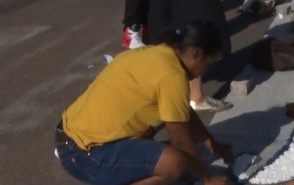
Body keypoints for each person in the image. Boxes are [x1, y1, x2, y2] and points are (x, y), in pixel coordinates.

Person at [56, 21, 234, 185]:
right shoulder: (172, 75)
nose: (204, 72)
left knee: (186, 159)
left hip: (68, 136)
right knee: (176, 163)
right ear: (196, 54)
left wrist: (212, 144)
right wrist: (207, 178)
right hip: (83, 154)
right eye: (209, 65)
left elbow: (183, 113)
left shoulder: (156, 53)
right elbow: (180, 140)